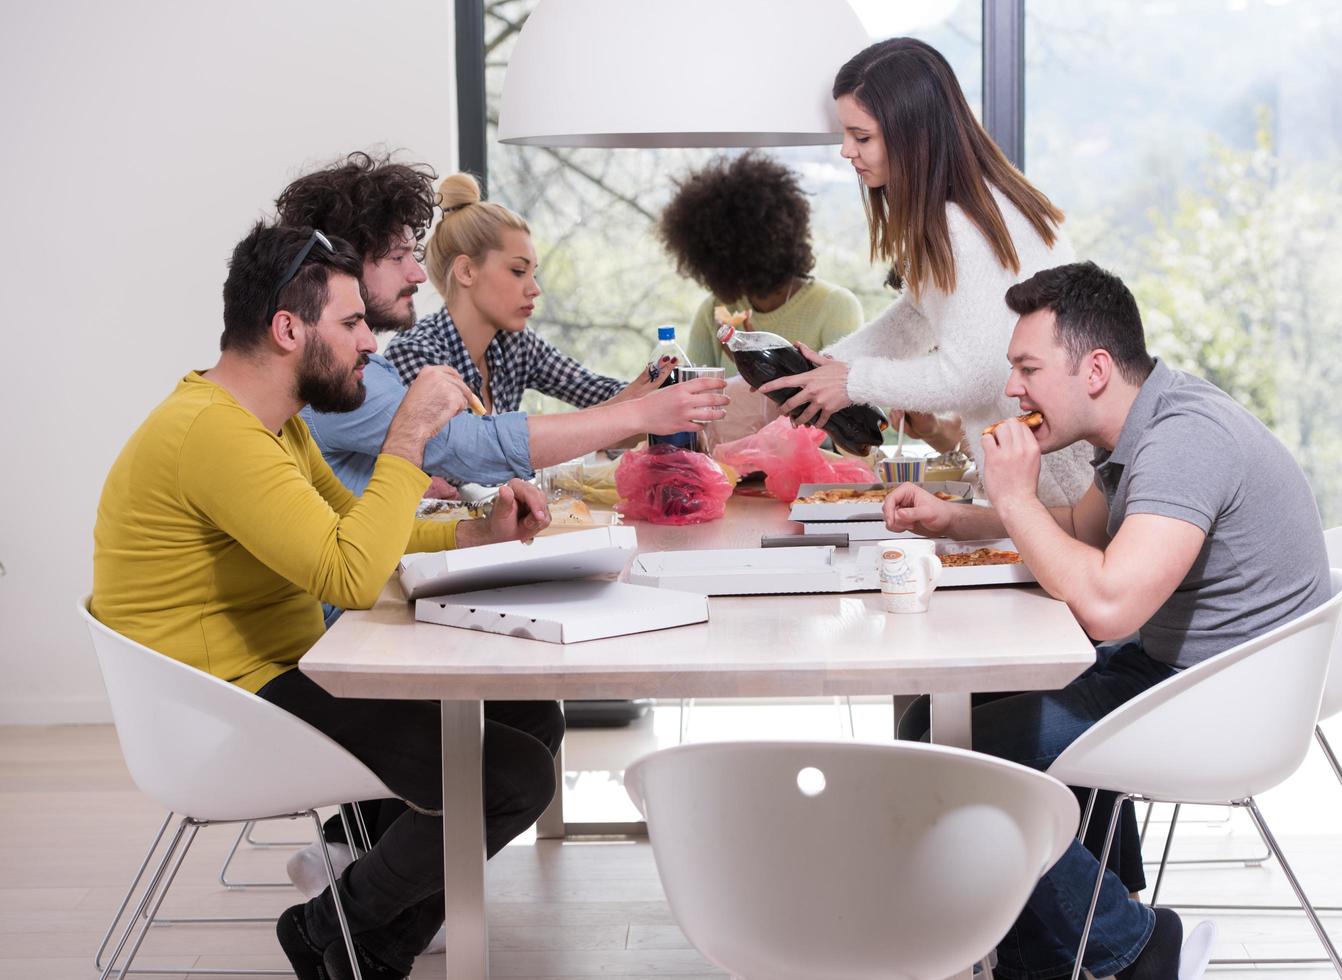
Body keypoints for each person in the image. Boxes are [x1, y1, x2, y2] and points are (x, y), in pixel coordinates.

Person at [92, 223, 564, 980]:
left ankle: (359, 938)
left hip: (277, 677)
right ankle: (337, 928)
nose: (369, 347)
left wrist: (478, 533)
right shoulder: (214, 435)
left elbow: (357, 537)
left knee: (531, 713)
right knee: (512, 778)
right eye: (350, 325)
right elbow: (348, 576)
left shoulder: (268, 425)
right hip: (228, 708)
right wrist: (409, 431)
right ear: (288, 329)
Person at [882, 261, 1331, 980]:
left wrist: (1014, 494)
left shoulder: (1184, 442)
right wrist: (959, 517)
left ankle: (1137, 948)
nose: (1011, 389)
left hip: (1224, 702)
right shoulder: (1145, 424)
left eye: (1027, 367)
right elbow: (1084, 531)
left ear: (1094, 369)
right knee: (952, 720)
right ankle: (1052, 954)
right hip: (1193, 674)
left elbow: (1109, 603)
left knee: (945, 748)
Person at [757, 37, 1093, 506]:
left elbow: (971, 376)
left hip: (1058, 486)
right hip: (1037, 471)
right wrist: (816, 370)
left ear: (913, 135)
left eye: (862, 137)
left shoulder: (963, 225)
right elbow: (916, 317)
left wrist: (850, 382)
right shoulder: (968, 207)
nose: (845, 151)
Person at [279, 154, 729, 496]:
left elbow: (593, 402)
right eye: (398, 258)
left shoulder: (504, 347)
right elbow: (469, 448)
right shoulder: (361, 373)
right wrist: (638, 412)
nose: (417, 275)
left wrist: (644, 397)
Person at [384, 173, 705, 418]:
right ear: (467, 271)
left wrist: (663, 391)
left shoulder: (514, 344)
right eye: (517, 271)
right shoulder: (416, 355)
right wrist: (642, 404)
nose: (534, 288)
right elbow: (475, 450)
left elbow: (595, 392)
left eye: (533, 273)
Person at [657, 152, 864, 376]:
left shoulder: (836, 307)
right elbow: (690, 401)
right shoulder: (713, 311)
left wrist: (753, 363)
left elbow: (850, 403)